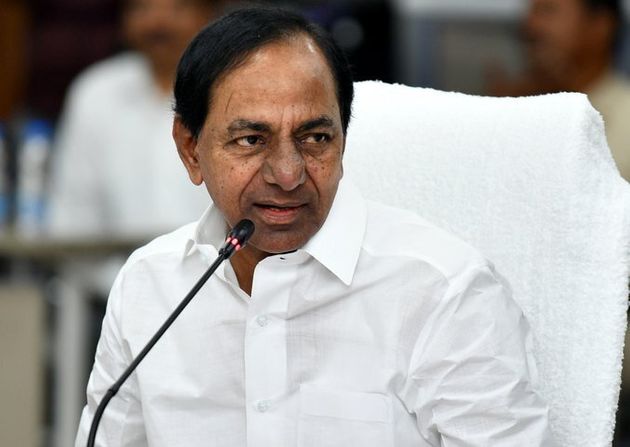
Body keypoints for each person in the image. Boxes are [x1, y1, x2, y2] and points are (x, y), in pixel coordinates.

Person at [75, 8, 556, 446]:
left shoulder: (443, 291)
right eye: (251, 139)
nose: (288, 174)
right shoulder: (150, 285)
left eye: (315, 138)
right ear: (190, 149)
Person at [47, 0, 223, 239]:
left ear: (209, 14)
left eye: (178, 8)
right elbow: (73, 209)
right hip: (113, 263)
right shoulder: (96, 92)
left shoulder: (234, 88)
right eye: (142, 8)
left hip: (220, 261)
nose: (158, 23)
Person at [488, 0, 630, 182]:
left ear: (600, 25)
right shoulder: (520, 110)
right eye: (531, 13)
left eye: (547, 11)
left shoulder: (625, 119)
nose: (530, 25)